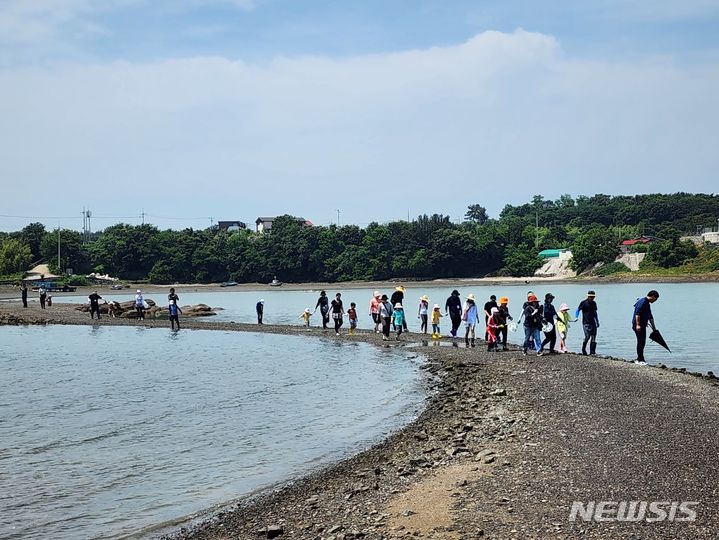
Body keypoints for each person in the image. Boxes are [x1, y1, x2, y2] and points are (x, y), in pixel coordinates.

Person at [633, 290, 660, 364]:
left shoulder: (647, 303)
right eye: (656, 299)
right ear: (653, 296)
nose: (655, 301)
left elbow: (650, 316)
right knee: (640, 342)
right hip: (638, 325)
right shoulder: (642, 302)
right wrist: (638, 325)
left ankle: (641, 358)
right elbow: (637, 314)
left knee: (642, 342)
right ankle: (639, 359)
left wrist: (654, 328)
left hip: (642, 325)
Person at [576, 290, 599, 355]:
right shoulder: (583, 303)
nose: (592, 298)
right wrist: (576, 317)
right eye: (590, 297)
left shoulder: (594, 303)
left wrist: (597, 321)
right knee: (587, 336)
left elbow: (595, 312)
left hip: (593, 323)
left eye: (593, 297)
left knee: (594, 337)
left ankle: (592, 352)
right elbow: (578, 310)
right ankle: (583, 349)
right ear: (588, 296)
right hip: (586, 323)